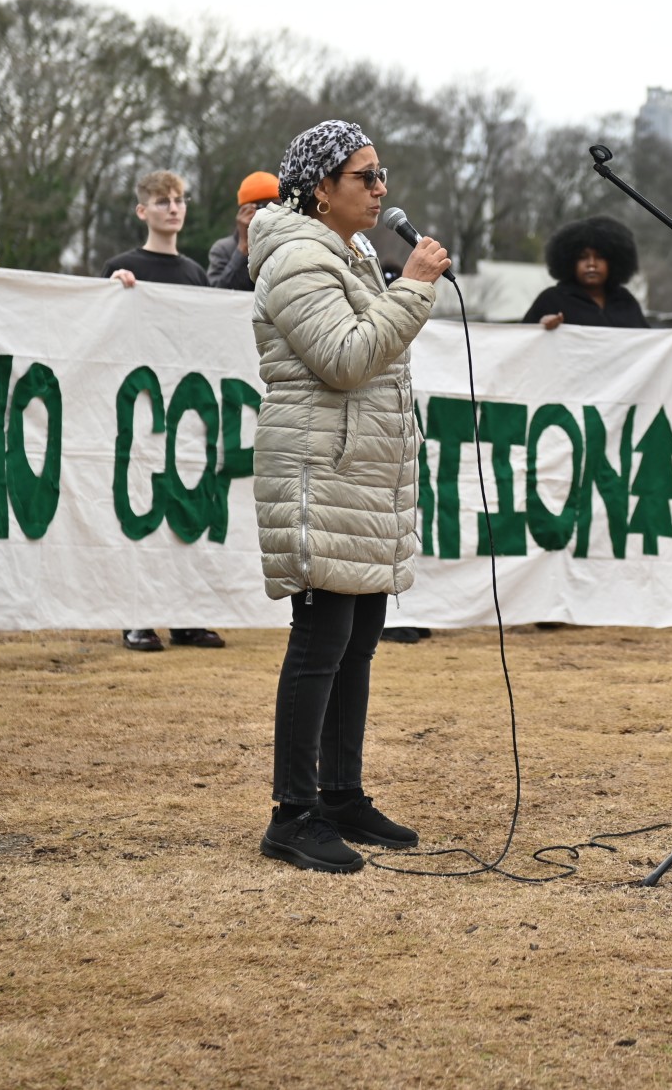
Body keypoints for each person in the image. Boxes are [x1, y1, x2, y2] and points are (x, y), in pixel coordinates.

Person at [246, 119, 450, 872]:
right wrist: (416, 288)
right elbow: (345, 358)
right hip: (319, 469)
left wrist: (401, 290)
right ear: (321, 187)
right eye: (364, 176)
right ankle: (291, 813)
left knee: (358, 636)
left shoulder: (348, 250)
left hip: (358, 471)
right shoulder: (299, 256)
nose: (381, 188)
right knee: (320, 641)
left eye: (381, 172)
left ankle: (340, 793)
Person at [103, 170, 225, 653]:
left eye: (178, 200)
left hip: (186, 411)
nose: (172, 208)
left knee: (186, 511)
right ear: (142, 211)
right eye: (161, 201)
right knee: (140, 513)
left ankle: (186, 616)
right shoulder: (121, 265)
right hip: (138, 410)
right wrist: (113, 291)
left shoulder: (196, 273)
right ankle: (137, 616)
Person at [521, 215, 672, 340]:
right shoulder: (551, 299)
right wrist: (540, 329)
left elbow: (647, 349)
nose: (591, 264)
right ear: (569, 261)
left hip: (619, 394)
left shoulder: (626, 301)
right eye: (583, 257)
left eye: (600, 257)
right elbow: (520, 344)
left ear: (614, 261)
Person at [207, 171, 279, 292]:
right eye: (264, 206)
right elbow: (217, 296)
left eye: (278, 205)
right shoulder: (223, 250)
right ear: (244, 211)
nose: (272, 212)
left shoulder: (286, 244)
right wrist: (243, 247)